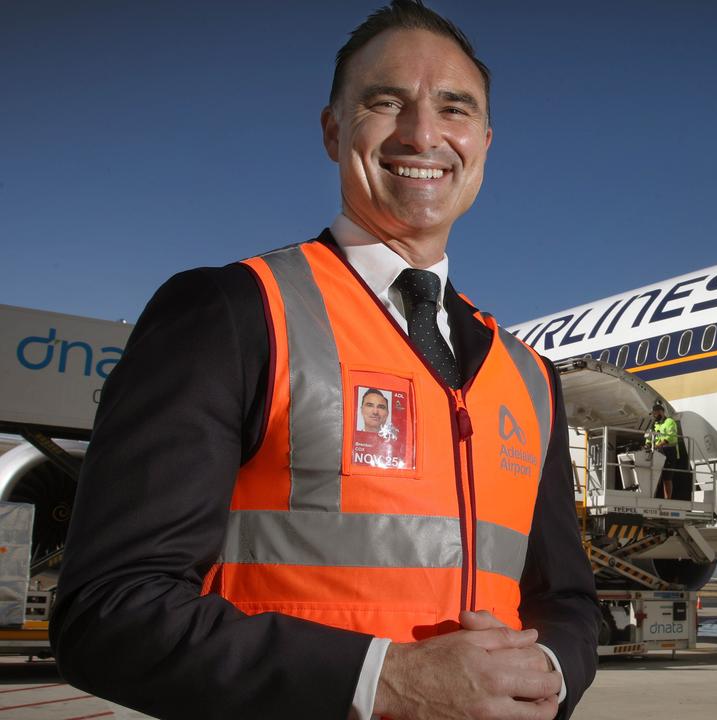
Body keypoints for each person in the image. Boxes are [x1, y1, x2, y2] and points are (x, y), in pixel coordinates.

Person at [50, 3, 599, 719]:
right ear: (334, 131)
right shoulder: (234, 313)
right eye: (386, 102)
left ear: (485, 143)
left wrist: (550, 674)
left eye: (453, 108)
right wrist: (383, 681)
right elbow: (108, 609)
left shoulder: (530, 377)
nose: (423, 133)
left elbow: (566, 602)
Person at [650, 403, 681, 499]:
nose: (654, 416)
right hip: (659, 450)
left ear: (660, 412)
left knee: (666, 478)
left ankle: (668, 499)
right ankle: (651, 497)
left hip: (669, 451)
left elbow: (671, 438)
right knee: (655, 477)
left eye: (655, 414)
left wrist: (657, 445)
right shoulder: (655, 424)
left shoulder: (670, 422)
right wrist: (647, 444)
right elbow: (650, 436)